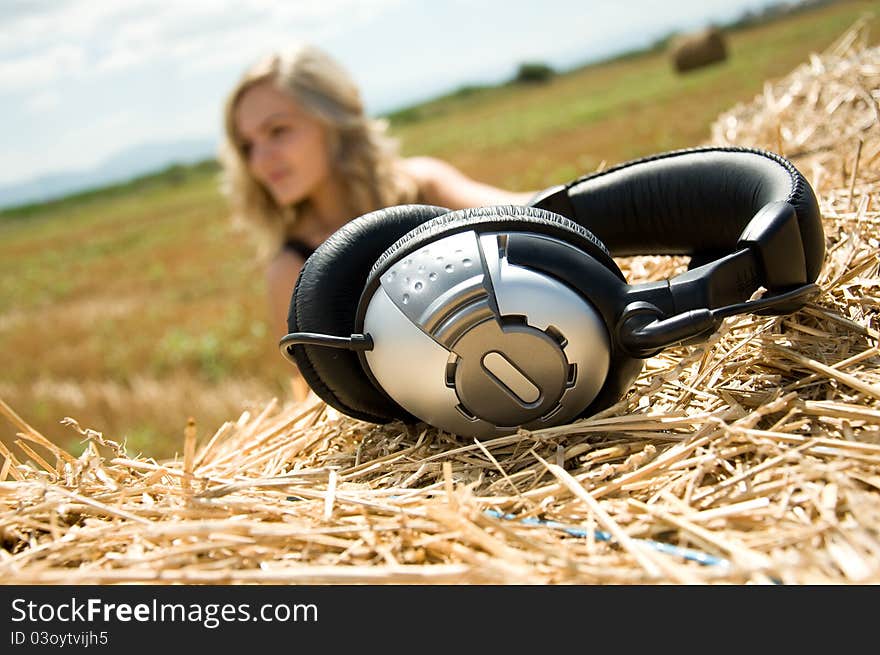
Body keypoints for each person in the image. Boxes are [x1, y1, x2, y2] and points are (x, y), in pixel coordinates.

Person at [219, 43, 536, 399]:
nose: (260, 160)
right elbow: (314, 399)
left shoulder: (424, 185)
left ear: (334, 117)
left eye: (277, 131)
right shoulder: (293, 269)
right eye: (247, 146)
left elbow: (535, 219)